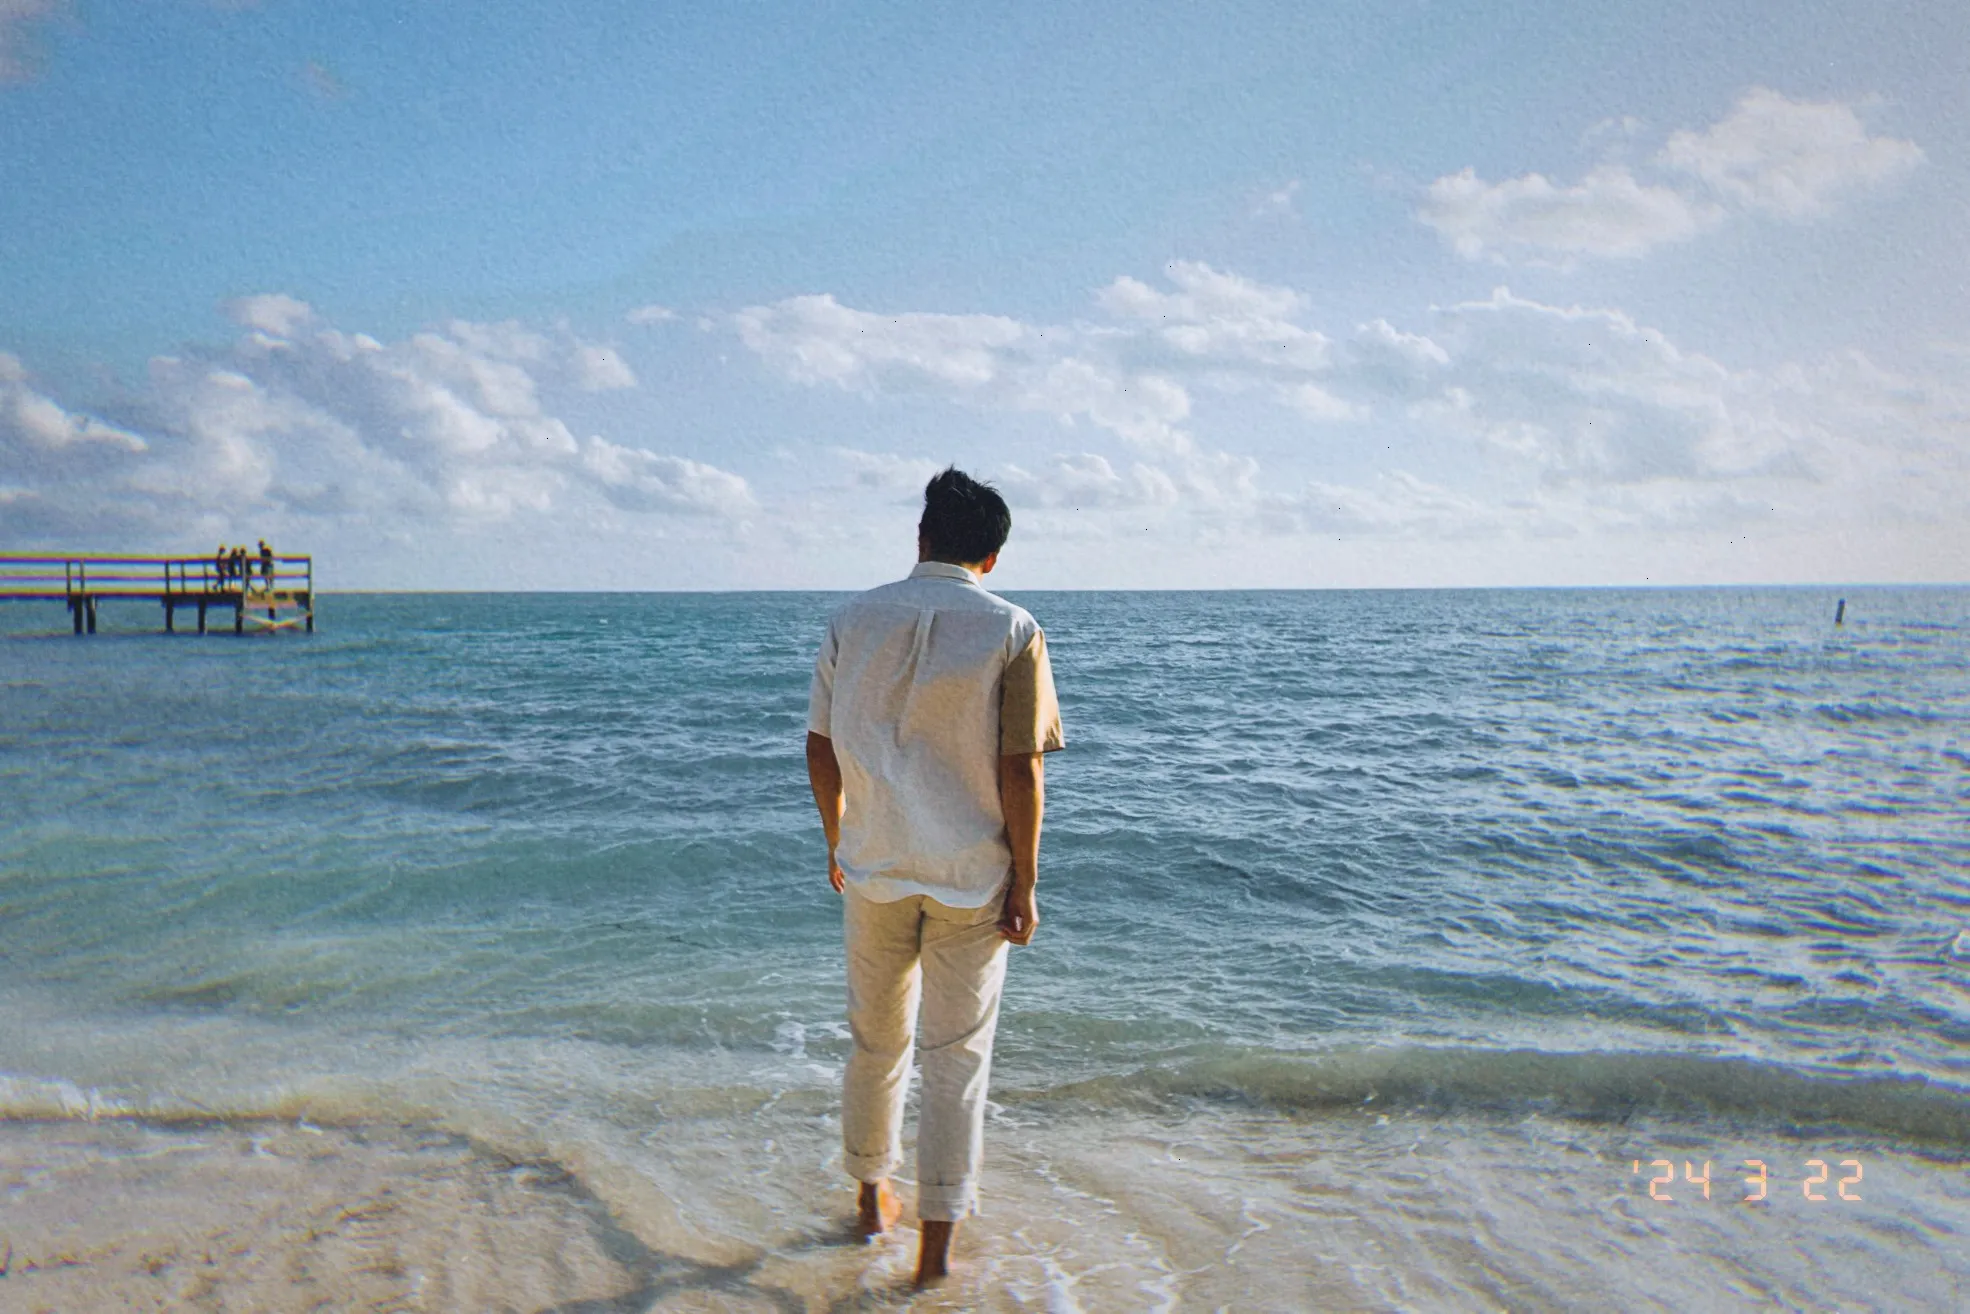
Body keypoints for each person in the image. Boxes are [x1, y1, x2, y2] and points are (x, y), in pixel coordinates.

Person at [805, 466, 1064, 1288]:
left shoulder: (853, 617)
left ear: (920, 539)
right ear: (991, 556)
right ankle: (933, 1259)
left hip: (875, 867)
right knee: (956, 1061)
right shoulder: (1013, 627)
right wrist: (1025, 879)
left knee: (875, 1045)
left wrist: (835, 836)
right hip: (970, 877)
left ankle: (869, 1202)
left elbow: (819, 747)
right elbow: (1019, 768)